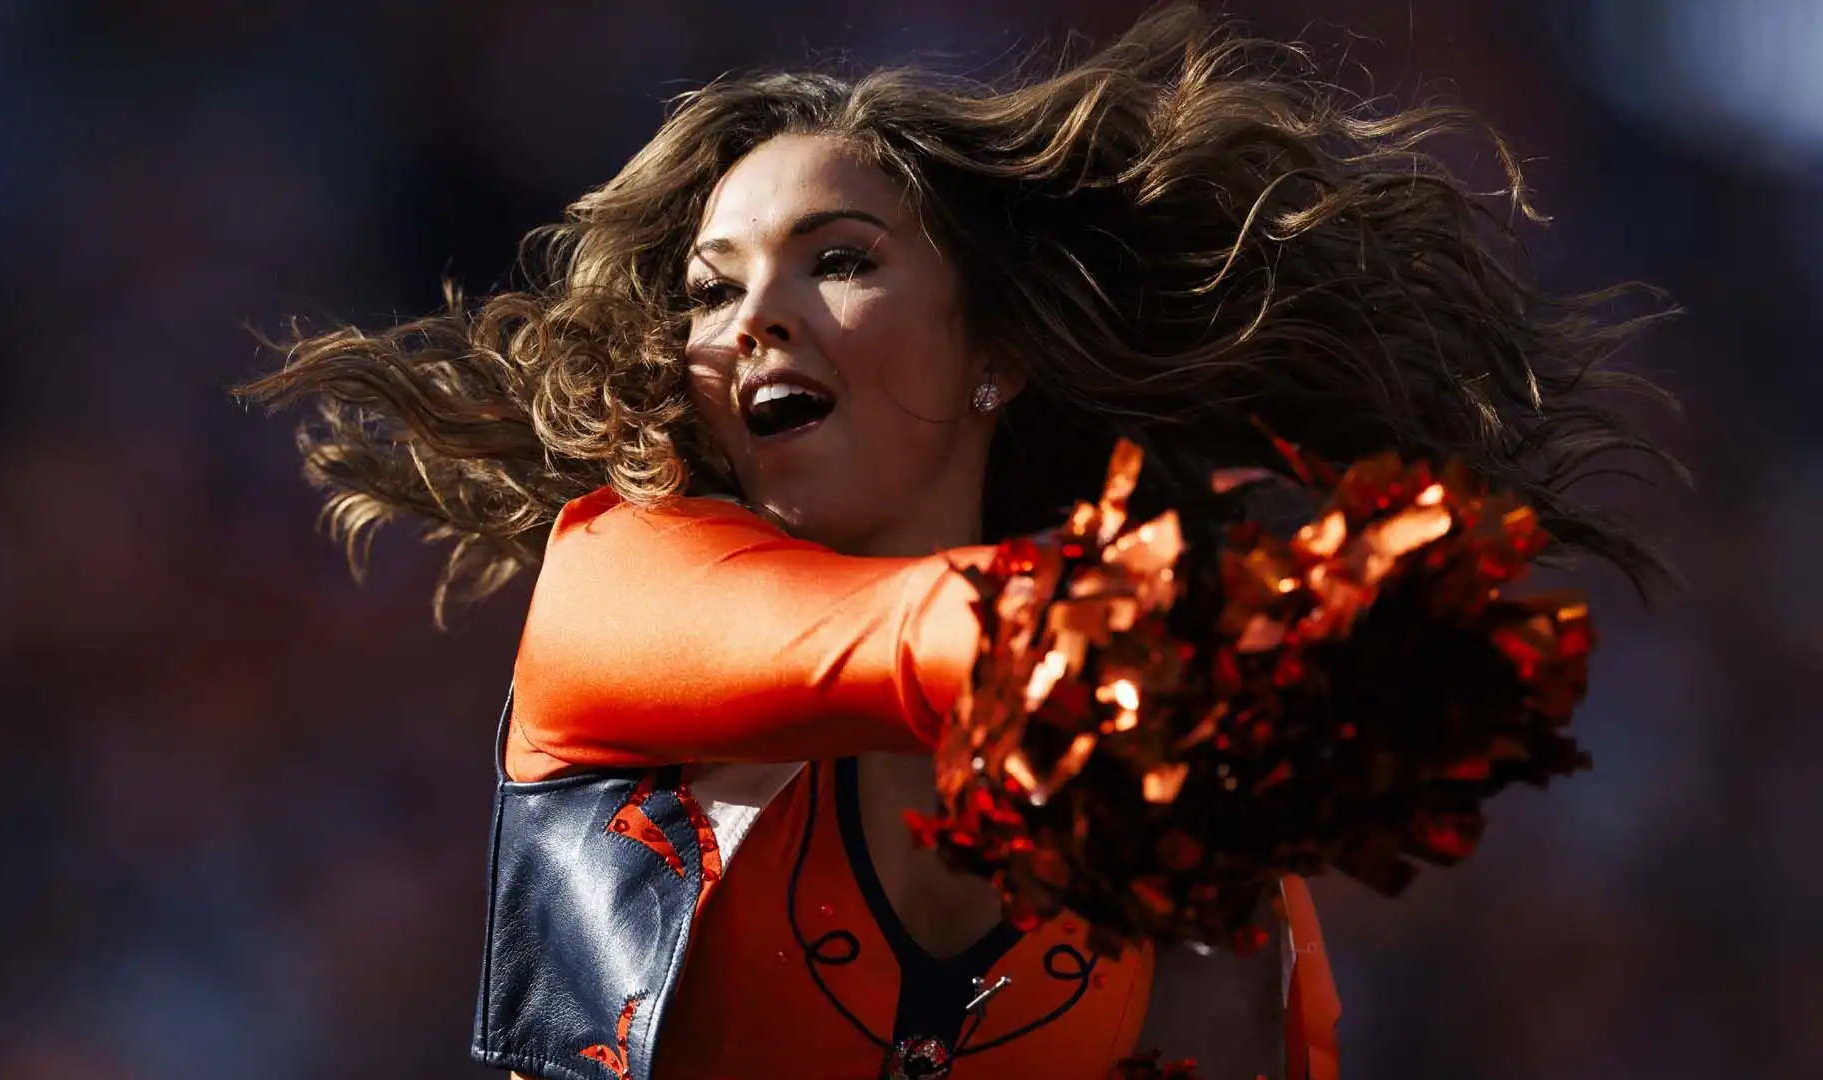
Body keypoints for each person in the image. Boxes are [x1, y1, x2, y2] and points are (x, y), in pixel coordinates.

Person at [241, 5, 1673, 1078]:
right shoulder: (617, 585)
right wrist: (1232, 615)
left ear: (995, 349)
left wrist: (1226, 884)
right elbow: (925, 640)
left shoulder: (1165, 744)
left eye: (842, 260)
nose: (754, 321)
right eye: (711, 288)